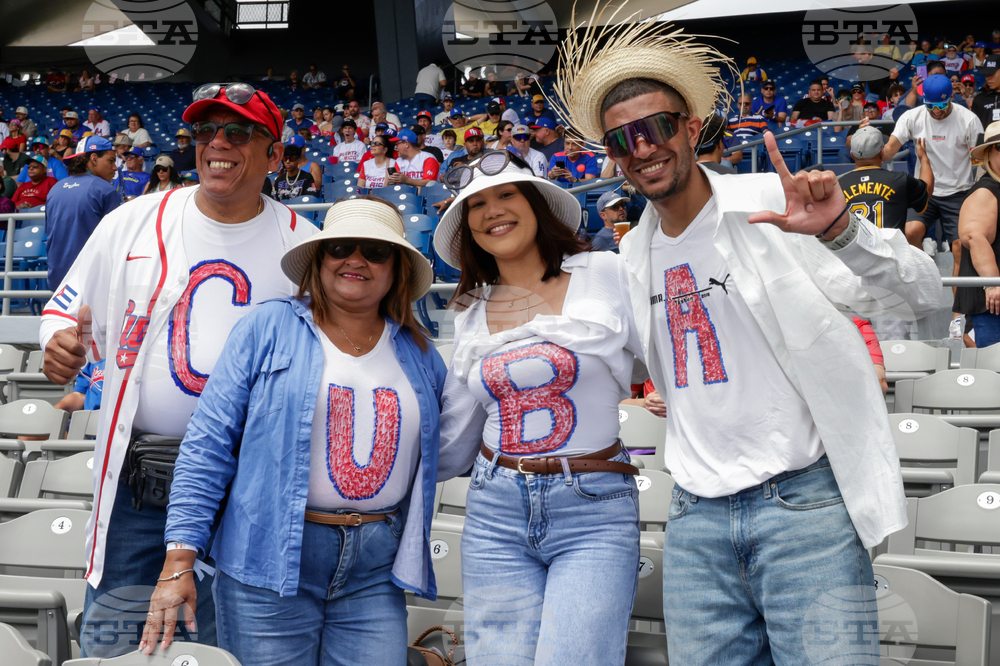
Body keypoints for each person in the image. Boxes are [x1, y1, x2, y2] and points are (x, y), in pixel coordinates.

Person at [552, 16, 941, 665]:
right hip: (695, 521)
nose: (642, 147)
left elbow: (923, 296)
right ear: (612, 157)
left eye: (656, 126)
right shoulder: (633, 256)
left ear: (692, 127)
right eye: (623, 139)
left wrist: (842, 230)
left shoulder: (771, 204)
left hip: (804, 508)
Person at [39, 83, 315, 658]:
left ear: (274, 151)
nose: (218, 143)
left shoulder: (306, 247)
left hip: (245, 490)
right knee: (114, 643)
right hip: (141, 482)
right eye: (206, 132)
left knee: (219, 649)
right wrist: (59, 343)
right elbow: (63, 311)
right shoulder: (132, 221)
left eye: (238, 132)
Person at [136, 195, 443, 665]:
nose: (355, 259)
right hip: (268, 558)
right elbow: (208, 445)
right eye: (340, 247)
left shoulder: (422, 353)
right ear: (319, 260)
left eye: (376, 251)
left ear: (396, 268)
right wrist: (179, 558)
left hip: (375, 567)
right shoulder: (267, 326)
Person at [434, 150, 643, 665]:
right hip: (494, 510)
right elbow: (458, 436)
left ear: (536, 204)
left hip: (593, 506)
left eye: (506, 194)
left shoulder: (605, 272)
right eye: (475, 204)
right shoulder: (470, 310)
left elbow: (660, 357)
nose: (492, 210)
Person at [883, 74, 984, 257]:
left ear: (951, 98)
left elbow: (980, 159)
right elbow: (889, 150)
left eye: (942, 105)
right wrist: (866, 140)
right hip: (924, 190)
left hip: (958, 191)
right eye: (931, 105)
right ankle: (926, 273)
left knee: (960, 246)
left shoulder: (968, 120)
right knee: (910, 232)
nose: (936, 111)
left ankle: (957, 286)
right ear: (924, 101)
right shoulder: (912, 117)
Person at [42, 135, 120, 290]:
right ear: (94, 158)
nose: (115, 167)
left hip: (58, 281)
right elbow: (117, 242)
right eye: (111, 161)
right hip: (92, 283)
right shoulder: (104, 189)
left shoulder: (55, 189)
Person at [956, 122, 1000, 347]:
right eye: (999, 147)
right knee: (993, 373)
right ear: (989, 154)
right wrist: (993, 283)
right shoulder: (986, 190)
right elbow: (974, 235)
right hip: (992, 305)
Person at [971, 56, 1000, 130]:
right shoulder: (980, 99)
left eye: (991, 73)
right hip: (987, 141)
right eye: (986, 74)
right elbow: (975, 129)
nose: (988, 77)